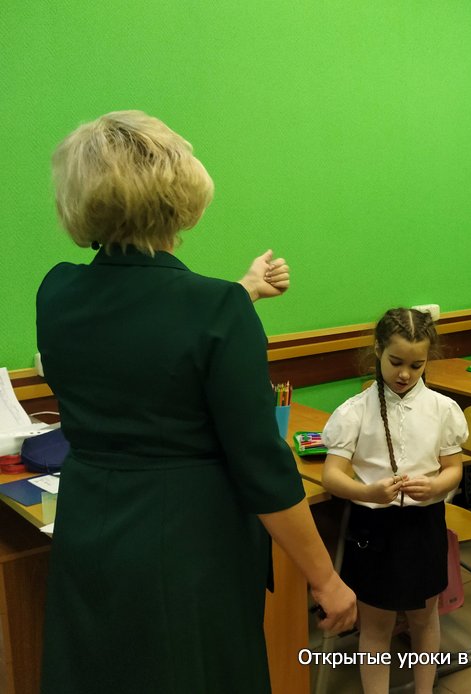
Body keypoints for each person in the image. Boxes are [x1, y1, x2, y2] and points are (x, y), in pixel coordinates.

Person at [37, 111, 356, 694]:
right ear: (180, 193)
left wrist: (241, 292)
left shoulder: (56, 291)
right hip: (185, 544)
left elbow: (145, 328)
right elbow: (262, 468)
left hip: (88, 529)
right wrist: (325, 578)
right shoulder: (214, 311)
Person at [321, 307, 466, 694]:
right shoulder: (355, 411)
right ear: (377, 351)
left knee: (424, 617)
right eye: (396, 362)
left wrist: (436, 487)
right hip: (374, 529)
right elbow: (332, 475)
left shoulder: (442, 409)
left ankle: (425, 690)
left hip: (424, 524)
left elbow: (454, 469)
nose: (405, 374)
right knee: (376, 625)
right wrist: (366, 492)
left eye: (417, 366)